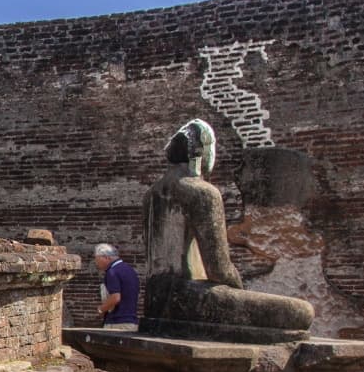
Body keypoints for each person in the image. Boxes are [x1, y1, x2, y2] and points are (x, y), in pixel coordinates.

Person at [141, 118, 312, 338]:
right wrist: (237, 291)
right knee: (301, 313)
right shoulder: (202, 192)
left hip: (155, 300)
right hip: (189, 300)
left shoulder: (151, 195)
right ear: (202, 154)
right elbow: (219, 269)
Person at [93, 244, 139, 331]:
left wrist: (101, 309)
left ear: (106, 257)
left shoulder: (112, 272)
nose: (96, 263)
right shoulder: (130, 270)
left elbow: (115, 297)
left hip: (117, 323)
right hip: (131, 322)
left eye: (97, 259)